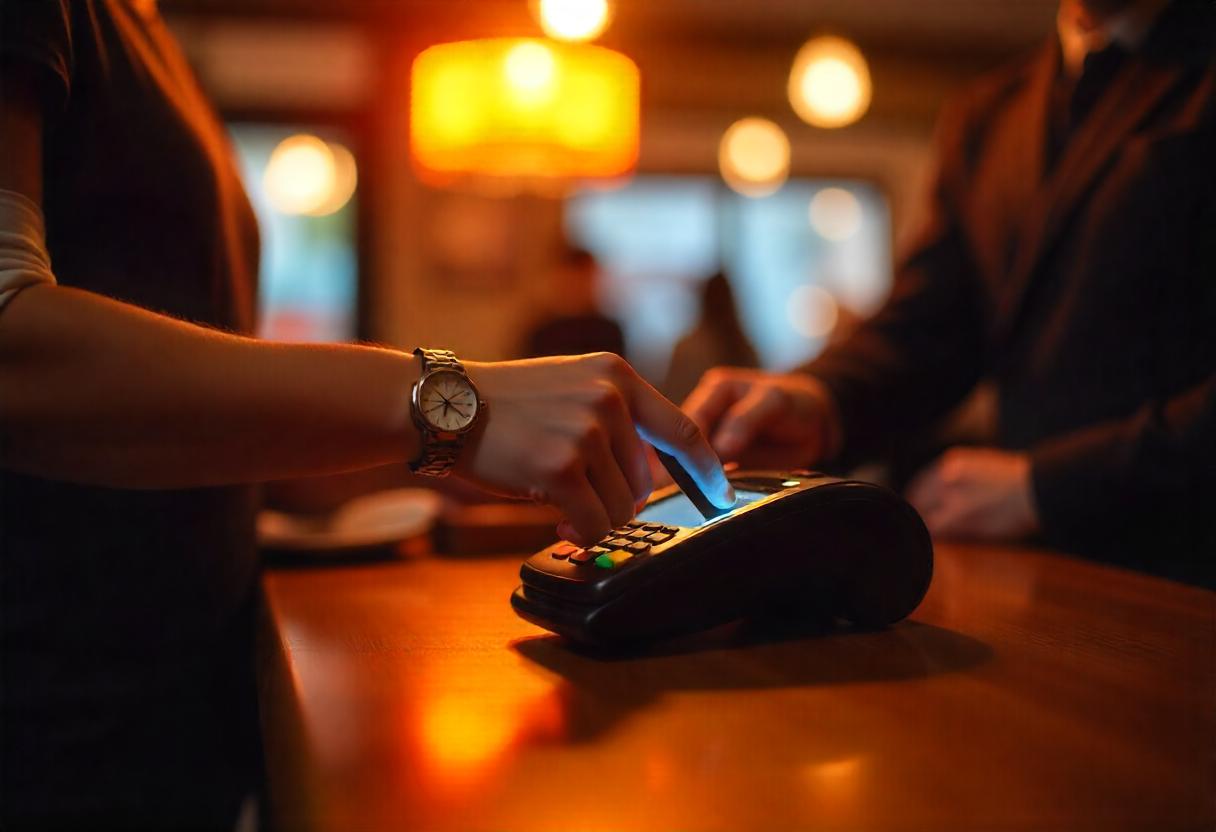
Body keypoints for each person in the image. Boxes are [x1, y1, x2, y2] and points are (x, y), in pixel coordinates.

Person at [0, 3, 732, 828]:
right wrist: (451, 405)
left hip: (171, 732)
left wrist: (435, 460)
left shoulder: (146, 26)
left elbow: (192, 436)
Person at [685, 0, 1215, 586]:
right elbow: (932, 324)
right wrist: (820, 398)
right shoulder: (988, 112)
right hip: (1038, 578)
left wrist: (1048, 486)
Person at [663, 272, 760, 405]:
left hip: (696, 419)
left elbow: (672, 396)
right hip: (742, 423)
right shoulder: (745, 346)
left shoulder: (687, 348)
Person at [521, 244, 626, 359]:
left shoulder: (608, 331)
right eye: (572, 280)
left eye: (584, 280)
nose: (576, 286)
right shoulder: (541, 332)